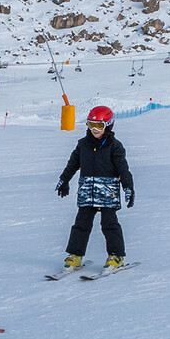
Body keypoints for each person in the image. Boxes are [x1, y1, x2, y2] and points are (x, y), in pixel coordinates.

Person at [56, 106, 133, 271]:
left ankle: (116, 256)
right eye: (91, 125)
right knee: (81, 224)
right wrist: (64, 180)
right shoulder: (83, 144)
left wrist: (128, 187)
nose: (94, 130)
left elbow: (123, 168)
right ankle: (75, 256)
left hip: (107, 192)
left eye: (99, 126)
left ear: (108, 125)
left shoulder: (115, 146)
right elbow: (73, 164)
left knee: (109, 224)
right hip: (87, 192)